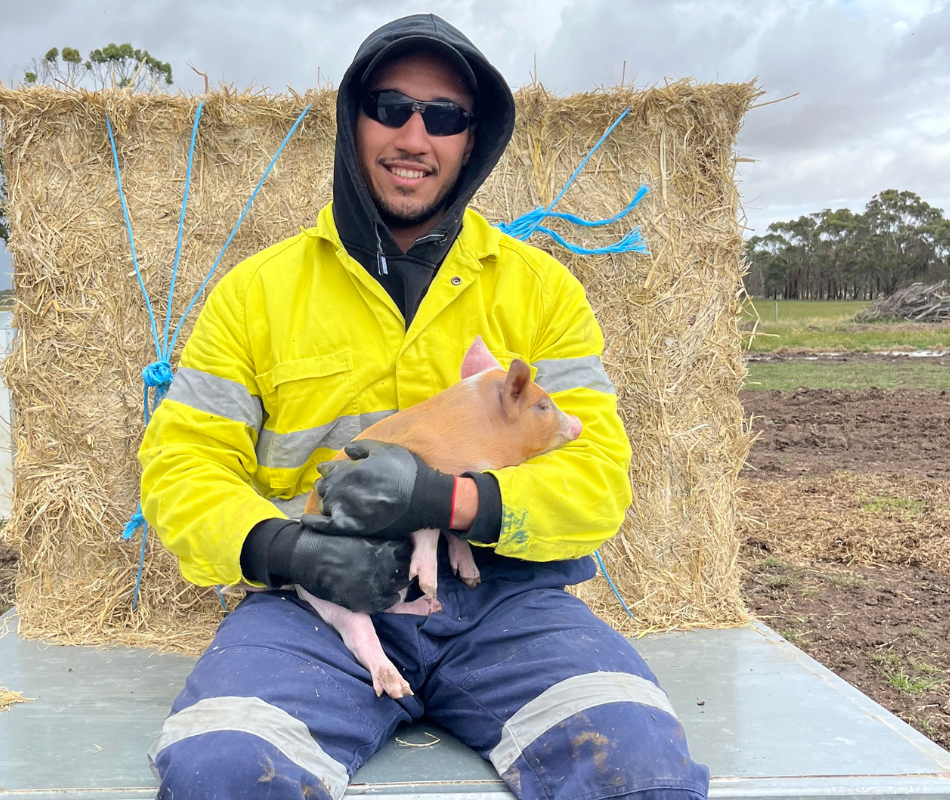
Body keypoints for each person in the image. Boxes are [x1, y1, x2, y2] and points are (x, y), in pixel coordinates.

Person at [138, 13, 709, 800]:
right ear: (352, 119)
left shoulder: (541, 290)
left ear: (473, 141)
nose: (415, 135)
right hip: (314, 607)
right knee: (221, 771)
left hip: (503, 608)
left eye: (444, 117)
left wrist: (457, 500)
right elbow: (182, 465)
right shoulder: (254, 294)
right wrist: (282, 549)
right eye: (390, 106)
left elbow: (599, 476)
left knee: (635, 765)